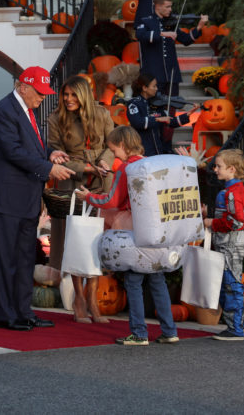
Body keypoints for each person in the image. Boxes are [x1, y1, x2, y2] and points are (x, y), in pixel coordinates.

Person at [0, 66, 75, 331]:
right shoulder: (3, 111)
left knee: (24, 258)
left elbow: (29, 147)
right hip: (8, 196)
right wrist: (48, 168)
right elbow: (13, 151)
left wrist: (49, 153)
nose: (43, 97)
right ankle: (5, 314)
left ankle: (23, 312)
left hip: (25, 196)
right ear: (23, 87)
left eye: (45, 92)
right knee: (6, 257)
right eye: (39, 92)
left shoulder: (25, 111)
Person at [76, 126, 179, 345]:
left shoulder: (126, 168)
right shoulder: (150, 164)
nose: (114, 155)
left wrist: (89, 197)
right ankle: (170, 330)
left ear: (122, 145)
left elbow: (112, 200)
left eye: (114, 150)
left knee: (133, 279)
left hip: (133, 228)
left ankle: (139, 333)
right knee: (157, 278)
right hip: (157, 229)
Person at [46, 76, 114, 323]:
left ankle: (93, 298)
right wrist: (85, 168)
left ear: (84, 94)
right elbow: (56, 155)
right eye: (65, 95)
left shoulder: (102, 114)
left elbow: (112, 143)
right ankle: (79, 298)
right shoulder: (56, 119)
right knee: (75, 240)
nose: (68, 99)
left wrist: (104, 160)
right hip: (72, 181)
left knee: (95, 241)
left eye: (73, 95)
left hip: (101, 181)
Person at [204, 148, 244, 340]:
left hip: (230, 244)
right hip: (226, 243)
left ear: (232, 169)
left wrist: (212, 223)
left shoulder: (232, 192)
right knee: (227, 283)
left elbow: (237, 222)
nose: (215, 169)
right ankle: (240, 322)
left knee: (231, 284)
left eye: (219, 166)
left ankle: (235, 328)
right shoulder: (232, 191)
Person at [135, 0, 208, 98]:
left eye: (171, 6)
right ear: (158, 6)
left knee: (173, 103)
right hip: (153, 74)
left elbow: (186, 40)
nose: (170, 9)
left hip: (172, 73)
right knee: (155, 104)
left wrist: (199, 26)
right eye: (167, 7)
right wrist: (163, 33)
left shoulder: (170, 24)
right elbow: (140, 35)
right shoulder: (146, 21)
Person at [126, 72, 192, 156]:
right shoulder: (134, 104)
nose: (156, 89)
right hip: (142, 151)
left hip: (158, 150)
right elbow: (138, 122)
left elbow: (170, 121)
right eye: (154, 86)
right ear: (144, 88)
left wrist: (187, 115)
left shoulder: (156, 104)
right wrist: (157, 119)